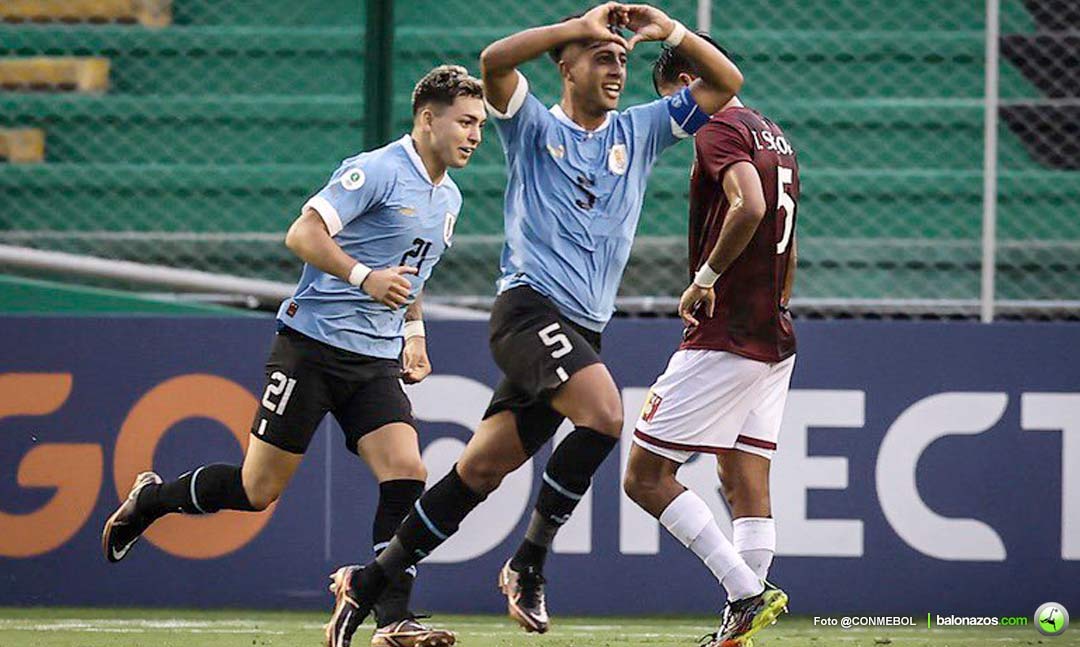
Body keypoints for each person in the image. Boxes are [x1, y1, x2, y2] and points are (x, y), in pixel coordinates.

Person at [321, 4, 745, 645]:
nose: (616, 69)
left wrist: (671, 30)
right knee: (604, 415)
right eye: (603, 57)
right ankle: (528, 563)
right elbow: (493, 62)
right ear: (566, 65)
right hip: (527, 312)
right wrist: (580, 25)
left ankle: (368, 584)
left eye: (623, 61)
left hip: (581, 330)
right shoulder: (531, 125)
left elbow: (725, 84)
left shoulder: (642, 130)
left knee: (478, 473)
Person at [101, 65, 486, 647]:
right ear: (428, 120)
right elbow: (302, 234)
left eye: (481, 123)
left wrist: (414, 334)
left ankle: (394, 620)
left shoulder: (449, 197)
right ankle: (151, 500)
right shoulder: (377, 170)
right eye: (465, 121)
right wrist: (363, 277)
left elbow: (413, 272)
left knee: (407, 469)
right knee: (257, 491)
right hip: (310, 349)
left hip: (373, 361)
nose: (476, 134)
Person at [622, 34, 800, 646]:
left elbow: (747, 206)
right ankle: (738, 634)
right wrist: (774, 301)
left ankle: (745, 594)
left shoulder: (717, 125)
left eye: (672, 97)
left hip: (727, 335)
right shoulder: (773, 132)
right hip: (773, 332)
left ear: (684, 80)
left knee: (644, 475)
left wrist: (705, 279)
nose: (676, 115)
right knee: (743, 477)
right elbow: (789, 238)